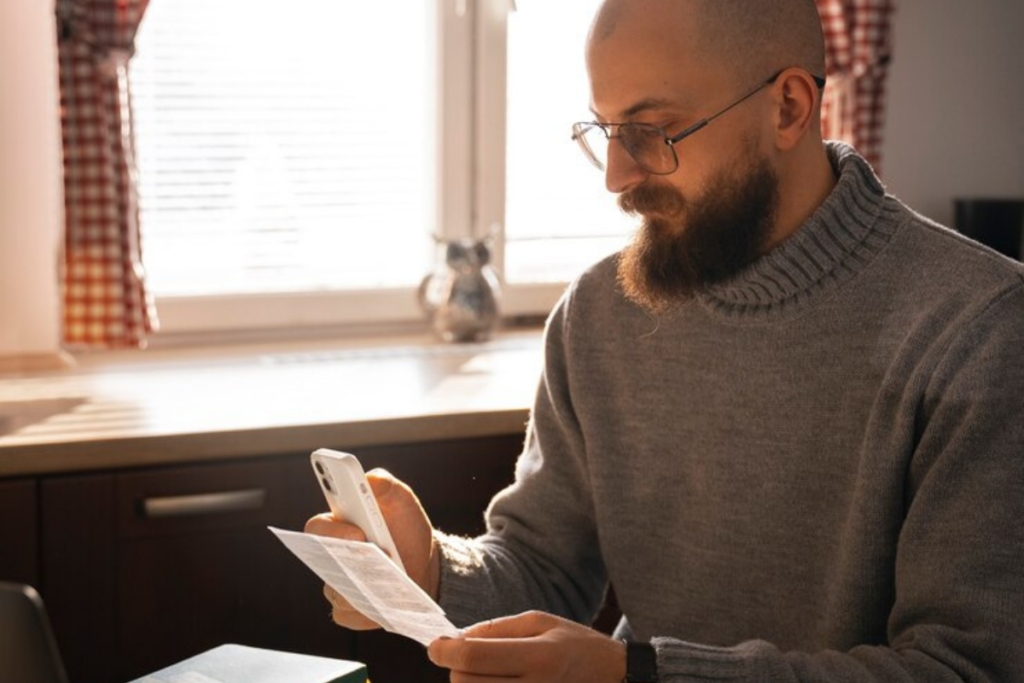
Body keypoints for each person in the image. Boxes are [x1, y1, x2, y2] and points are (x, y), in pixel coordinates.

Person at [307, 0, 1024, 680]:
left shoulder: (982, 328)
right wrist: (429, 568)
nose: (617, 177)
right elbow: (542, 568)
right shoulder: (598, 312)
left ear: (791, 107)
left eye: (654, 131)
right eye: (605, 130)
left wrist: (638, 672)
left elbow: (965, 668)